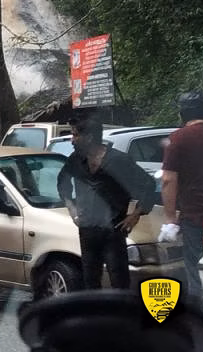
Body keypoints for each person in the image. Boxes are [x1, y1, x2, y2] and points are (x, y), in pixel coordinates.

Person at [57, 116, 156, 289]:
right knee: (90, 278)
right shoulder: (75, 160)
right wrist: (72, 208)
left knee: (119, 278)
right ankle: (96, 314)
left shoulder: (119, 160)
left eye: (75, 135)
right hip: (87, 230)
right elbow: (62, 183)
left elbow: (148, 185)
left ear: (88, 137)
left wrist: (135, 215)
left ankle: (120, 314)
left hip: (114, 230)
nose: (71, 140)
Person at [160, 91, 203, 311]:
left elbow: (168, 180)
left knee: (196, 274)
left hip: (196, 219)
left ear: (183, 113)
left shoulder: (178, 138)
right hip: (197, 219)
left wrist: (170, 219)